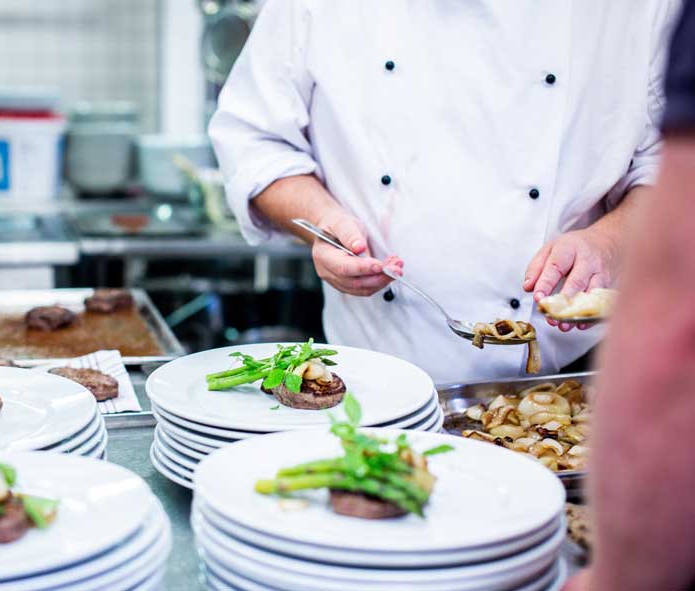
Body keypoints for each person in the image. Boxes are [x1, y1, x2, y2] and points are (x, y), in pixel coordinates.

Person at [209, 1, 680, 383]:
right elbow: (254, 140)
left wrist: (608, 243)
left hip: (572, 381)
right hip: (371, 378)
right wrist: (324, 224)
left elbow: (674, 166)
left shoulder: (637, 11)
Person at [566, 2, 695, 589]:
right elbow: (254, 140)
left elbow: (677, 320)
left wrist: (619, 575)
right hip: (383, 355)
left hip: (581, 372)